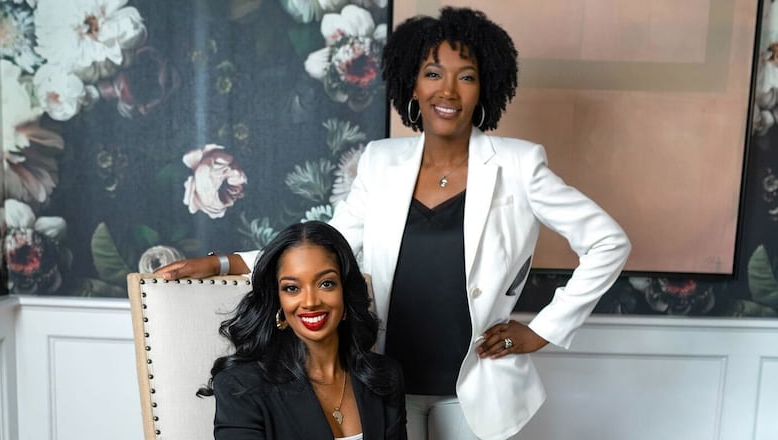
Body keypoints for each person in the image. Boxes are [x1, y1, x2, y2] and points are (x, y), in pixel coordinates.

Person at [160, 7, 630, 440]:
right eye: (432, 74)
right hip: (382, 382)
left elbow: (608, 242)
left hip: (475, 391)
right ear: (412, 85)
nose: (447, 91)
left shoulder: (519, 164)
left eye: (466, 77)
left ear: (485, 87)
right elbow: (329, 245)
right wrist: (225, 262)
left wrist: (542, 329)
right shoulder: (381, 161)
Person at [195, 221, 406, 440]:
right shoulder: (241, 387)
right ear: (279, 301)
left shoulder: (384, 376)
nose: (310, 302)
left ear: (345, 291)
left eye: (326, 284)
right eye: (292, 288)